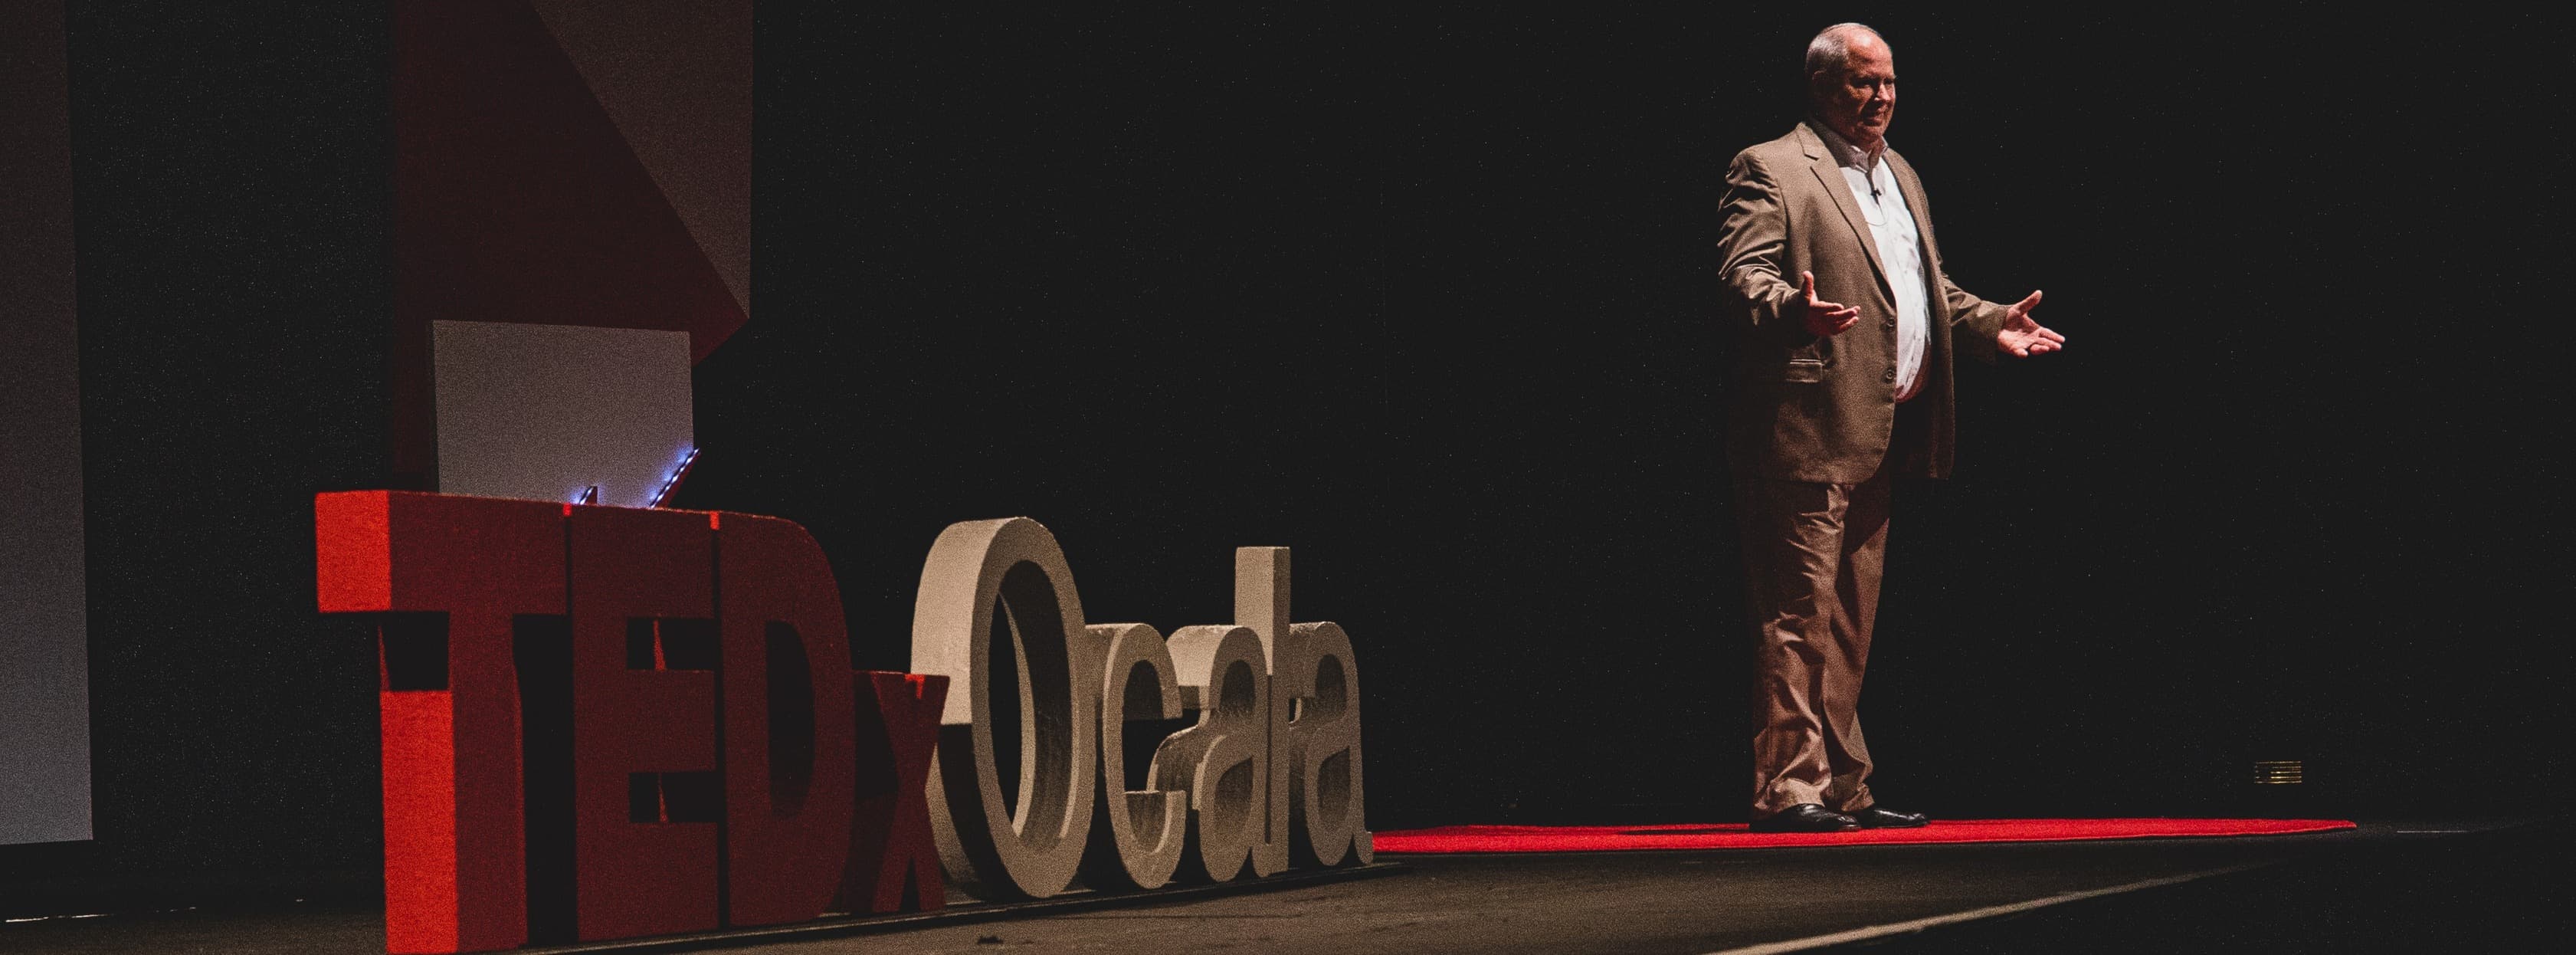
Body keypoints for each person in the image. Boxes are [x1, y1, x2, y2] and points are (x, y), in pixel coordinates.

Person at [1717, 23, 2064, 833]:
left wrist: (1986, 325)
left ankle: (1841, 785)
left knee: (1846, 619)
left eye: (1888, 83)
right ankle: (1787, 788)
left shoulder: (1897, 172)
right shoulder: (1768, 166)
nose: (1878, 98)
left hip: (1880, 427)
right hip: (1802, 426)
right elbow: (1743, 274)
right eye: (1860, 83)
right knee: (1795, 614)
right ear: (1820, 87)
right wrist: (1790, 311)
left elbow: (1924, 288)